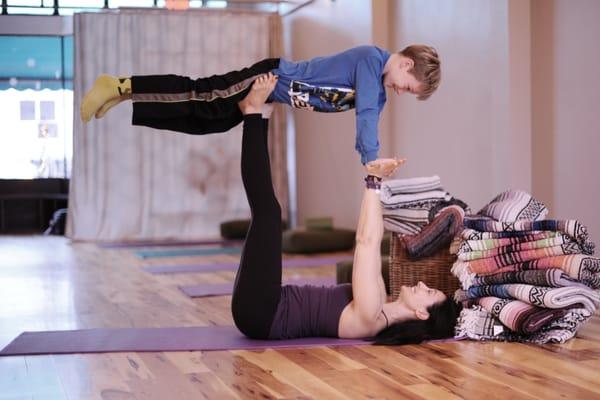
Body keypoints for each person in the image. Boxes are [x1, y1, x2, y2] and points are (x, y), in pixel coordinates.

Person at [232, 73, 460, 344]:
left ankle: (253, 115)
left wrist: (374, 182)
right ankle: (258, 116)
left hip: (262, 311)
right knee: (267, 212)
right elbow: (373, 244)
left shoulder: (371, 312)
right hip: (263, 306)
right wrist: (376, 181)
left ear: (422, 314)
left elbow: (365, 242)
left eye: (429, 292)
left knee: (268, 213)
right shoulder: (379, 305)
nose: (423, 284)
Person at [80, 44, 441, 165]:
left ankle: (126, 97)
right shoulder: (370, 60)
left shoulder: (377, 91)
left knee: (212, 121)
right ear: (406, 64)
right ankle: (121, 85)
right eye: (408, 87)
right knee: (203, 95)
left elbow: (368, 124)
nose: (400, 92)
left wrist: (371, 164)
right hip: (268, 77)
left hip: (268, 93)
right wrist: (372, 158)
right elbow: (365, 120)